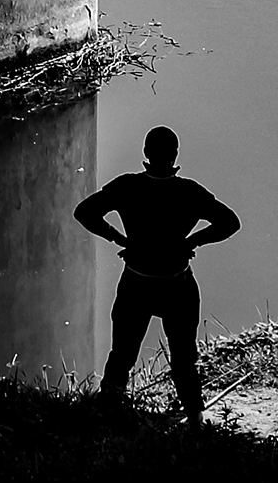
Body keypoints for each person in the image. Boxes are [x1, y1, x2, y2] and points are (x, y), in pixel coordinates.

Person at [74, 126, 241, 424]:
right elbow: (230, 222)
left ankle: (107, 412)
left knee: (122, 354)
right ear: (175, 154)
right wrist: (192, 241)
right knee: (183, 359)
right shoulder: (190, 192)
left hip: (136, 283)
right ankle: (195, 418)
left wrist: (117, 237)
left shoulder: (127, 187)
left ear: (146, 154)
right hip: (177, 285)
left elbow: (84, 212)